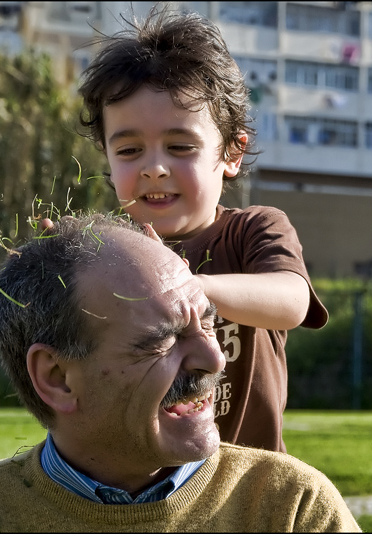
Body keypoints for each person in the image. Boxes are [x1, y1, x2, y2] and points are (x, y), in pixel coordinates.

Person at [0, 214, 359, 532]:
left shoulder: (290, 509)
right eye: (163, 339)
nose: (214, 359)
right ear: (57, 377)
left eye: (209, 323)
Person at [77, 5, 327, 453]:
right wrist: (55, 275)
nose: (154, 167)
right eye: (130, 150)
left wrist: (192, 288)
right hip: (146, 485)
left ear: (231, 153)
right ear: (108, 159)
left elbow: (292, 300)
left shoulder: (254, 229)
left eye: (179, 146)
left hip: (249, 483)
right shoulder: (106, 253)